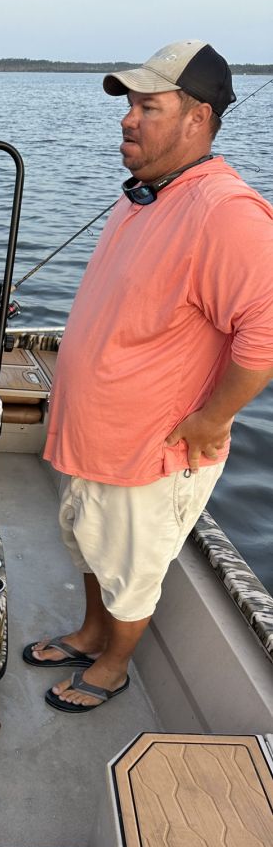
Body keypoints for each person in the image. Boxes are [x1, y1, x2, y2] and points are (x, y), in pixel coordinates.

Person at [24, 40, 273, 712]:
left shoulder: (226, 211)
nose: (128, 119)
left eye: (148, 107)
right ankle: (90, 634)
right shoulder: (147, 195)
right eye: (130, 105)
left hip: (150, 449)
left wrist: (212, 418)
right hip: (94, 436)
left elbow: (266, 334)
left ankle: (114, 666)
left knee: (131, 566)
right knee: (88, 540)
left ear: (198, 117)